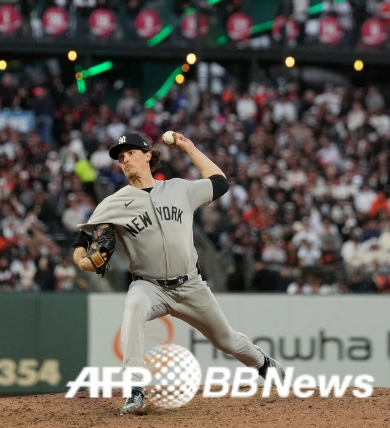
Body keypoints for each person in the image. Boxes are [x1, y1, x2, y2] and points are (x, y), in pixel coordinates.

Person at [72, 132, 285, 415]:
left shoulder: (179, 188)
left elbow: (220, 182)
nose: (125, 160)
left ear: (148, 155)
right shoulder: (114, 202)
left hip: (190, 284)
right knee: (134, 306)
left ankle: (264, 364)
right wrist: (82, 261)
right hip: (149, 286)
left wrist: (189, 148)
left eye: (131, 153)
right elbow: (82, 241)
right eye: (121, 158)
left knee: (227, 340)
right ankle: (134, 389)